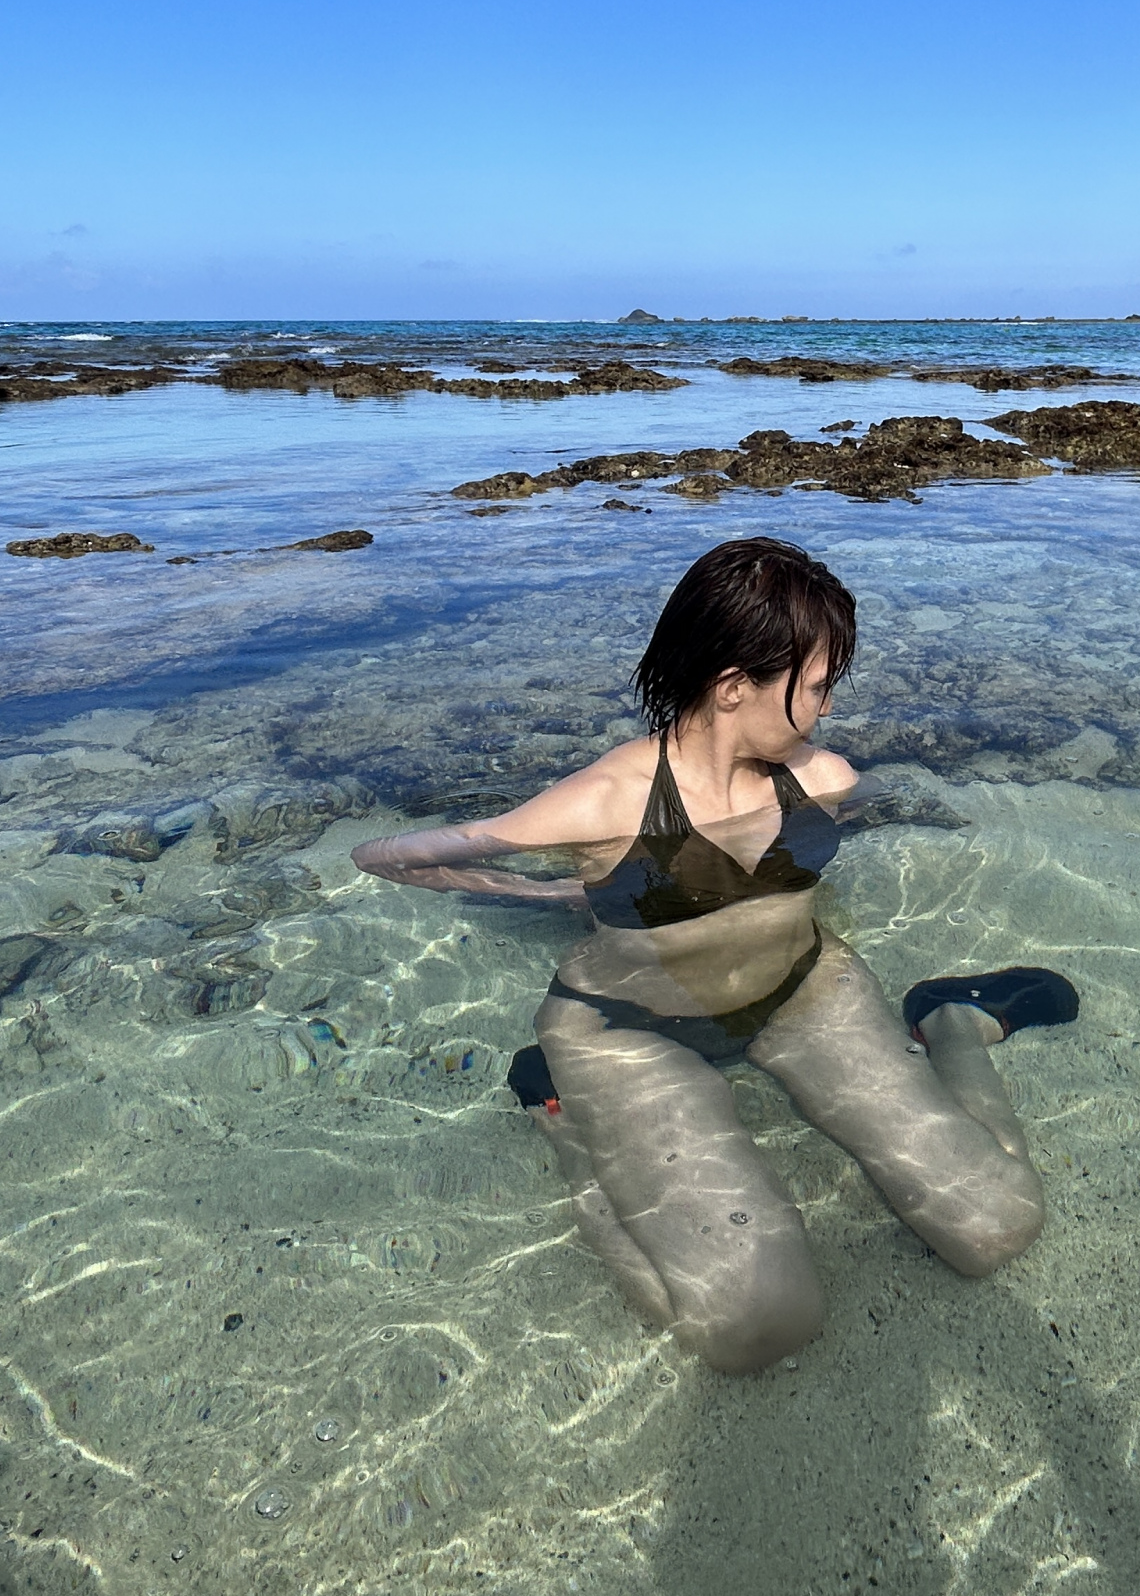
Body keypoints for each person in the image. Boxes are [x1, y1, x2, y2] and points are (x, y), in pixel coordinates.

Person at [352, 536, 1078, 1373]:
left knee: (997, 1226)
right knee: (754, 1327)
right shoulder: (604, 802)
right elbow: (388, 857)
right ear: (735, 687)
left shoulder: (824, 778)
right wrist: (553, 894)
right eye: (816, 687)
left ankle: (953, 1020)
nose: (829, 708)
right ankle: (557, 1117)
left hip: (802, 996)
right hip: (631, 1031)